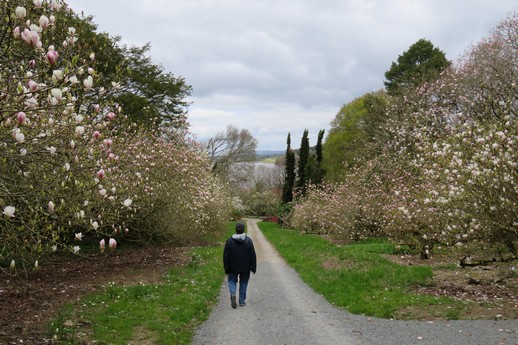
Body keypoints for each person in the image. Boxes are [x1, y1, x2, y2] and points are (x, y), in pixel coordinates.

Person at [223, 222, 257, 308]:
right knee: (244, 282)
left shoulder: (229, 241)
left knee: (231, 281)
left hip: (232, 267)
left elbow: (225, 255)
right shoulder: (248, 240)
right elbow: (252, 255)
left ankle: (233, 293)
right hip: (245, 267)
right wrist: (254, 266)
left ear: (235, 230)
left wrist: (226, 267)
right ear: (243, 230)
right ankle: (241, 301)